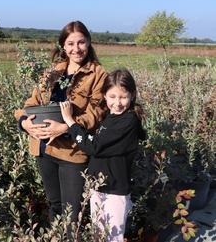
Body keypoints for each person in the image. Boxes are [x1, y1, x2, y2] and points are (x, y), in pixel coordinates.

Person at [14, 20, 107, 223]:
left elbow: (97, 113)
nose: (76, 49)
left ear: (89, 42)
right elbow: (32, 102)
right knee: (55, 205)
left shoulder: (98, 75)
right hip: (44, 147)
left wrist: (65, 128)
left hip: (72, 151)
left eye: (81, 42)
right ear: (63, 46)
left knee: (71, 212)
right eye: (71, 44)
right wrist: (24, 122)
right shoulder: (53, 72)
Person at [60, 68, 146, 242]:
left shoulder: (128, 121)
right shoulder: (110, 117)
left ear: (132, 95)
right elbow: (98, 140)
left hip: (114, 190)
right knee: (99, 234)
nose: (118, 103)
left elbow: (94, 147)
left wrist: (70, 122)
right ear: (105, 96)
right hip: (99, 186)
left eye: (123, 97)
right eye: (112, 97)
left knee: (112, 237)